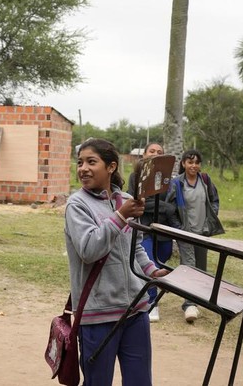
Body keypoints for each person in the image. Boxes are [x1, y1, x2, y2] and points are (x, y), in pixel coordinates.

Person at [65, 138, 169, 385]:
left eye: (92, 162)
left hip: (135, 310)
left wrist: (152, 271)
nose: (83, 168)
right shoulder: (77, 205)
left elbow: (136, 246)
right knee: (98, 381)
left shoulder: (126, 199)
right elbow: (89, 250)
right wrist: (120, 216)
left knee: (140, 381)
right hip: (98, 314)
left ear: (111, 167)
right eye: (80, 162)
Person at [126, 142, 179, 322]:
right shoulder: (136, 177)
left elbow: (175, 205)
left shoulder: (168, 180)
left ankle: (145, 294)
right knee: (150, 265)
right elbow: (137, 202)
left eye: (160, 152)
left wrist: (167, 210)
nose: (155, 154)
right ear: (144, 155)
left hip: (164, 231)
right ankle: (152, 303)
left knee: (162, 260)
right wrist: (166, 208)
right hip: (146, 229)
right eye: (152, 151)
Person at [166, 149, 220, 324]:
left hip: (202, 233)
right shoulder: (177, 183)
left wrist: (209, 220)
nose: (193, 165)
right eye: (190, 162)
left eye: (197, 162)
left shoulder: (205, 180)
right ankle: (189, 304)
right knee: (189, 266)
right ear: (183, 164)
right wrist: (179, 228)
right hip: (185, 233)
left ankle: (196, 300)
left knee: (201, 268)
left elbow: (214, 200)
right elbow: (170, 208)